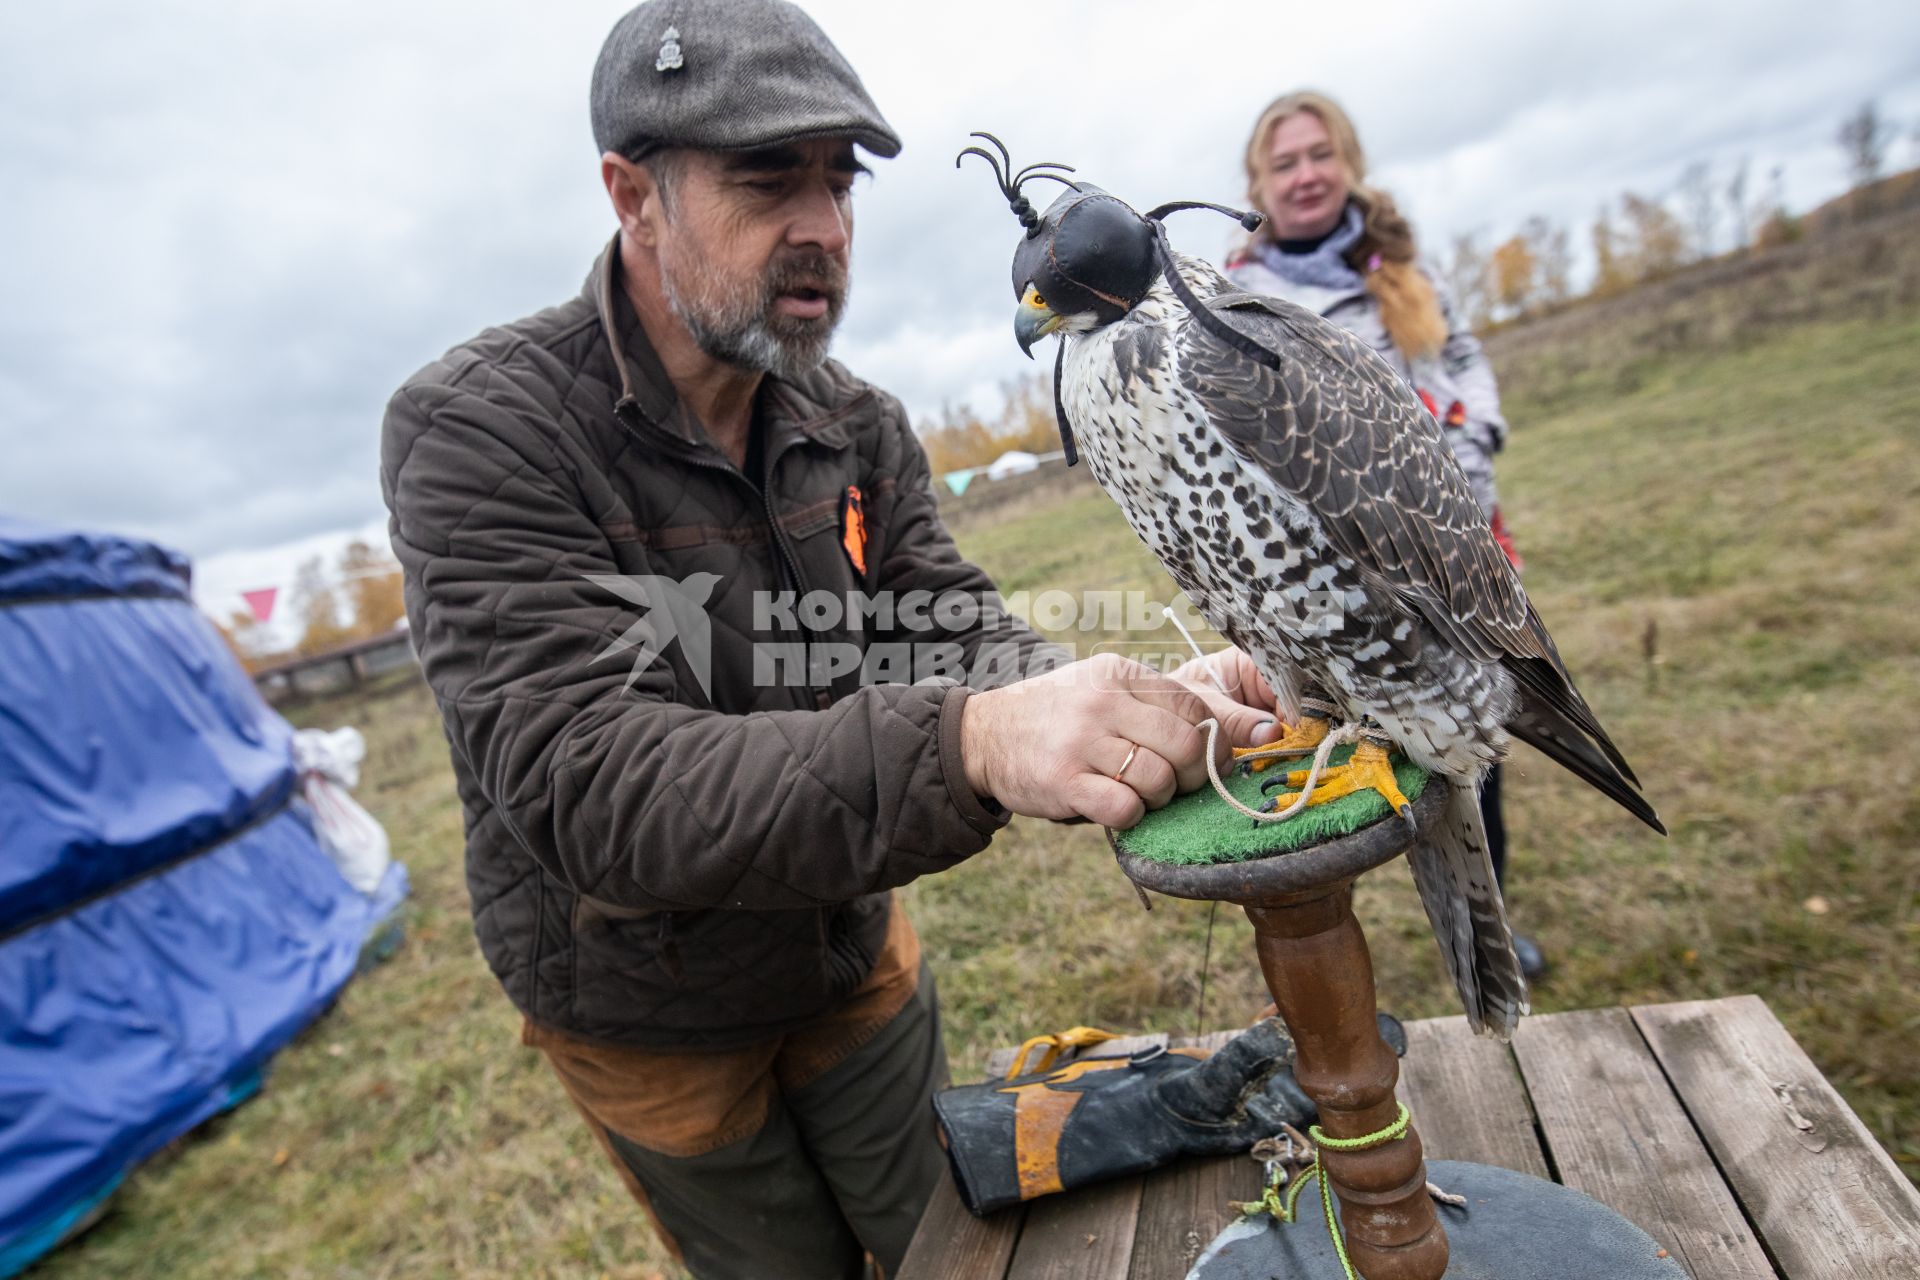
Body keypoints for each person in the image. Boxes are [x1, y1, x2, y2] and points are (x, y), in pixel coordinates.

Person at [379, 3, 1281, 1277]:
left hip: (849, 953)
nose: (823, 227)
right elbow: (589, 779)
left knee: (945, 1238)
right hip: (646, 1008)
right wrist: (972, 742)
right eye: (768, 180)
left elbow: (944, 621)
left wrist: (1100, 700)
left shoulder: (851, 417)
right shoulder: (482, 433)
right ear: (633, 195)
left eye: (839, 181)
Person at [1225, 89, 1545, 980]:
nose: (1305, 175)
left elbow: (1464, 368)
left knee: (1476, 744)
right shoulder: (1235, 301)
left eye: (1320, 155)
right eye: (1284, 163)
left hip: (1462, 548)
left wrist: (1463, 463)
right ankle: (1333, 947)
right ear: (1258, 183)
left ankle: (1491, 921)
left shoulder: (1397, 270)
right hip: (1340, 568)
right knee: (1335, 743)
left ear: (1348, 164)